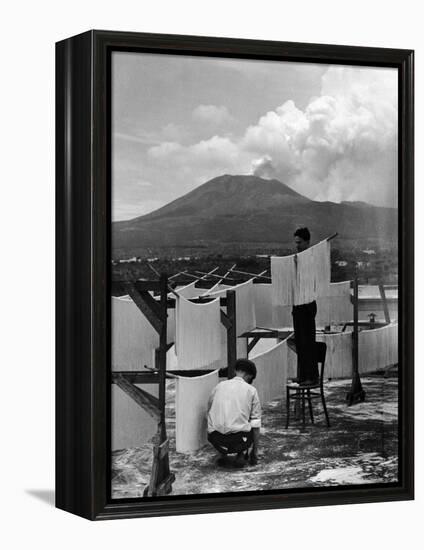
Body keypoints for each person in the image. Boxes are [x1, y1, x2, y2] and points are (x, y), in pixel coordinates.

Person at [207, 359, 261, 467]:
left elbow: (209, 409)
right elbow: (256, 425)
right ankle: (241, 454)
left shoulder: (219, 386)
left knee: (216, 419)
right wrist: (255, 453)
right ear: (249, 376)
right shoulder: (251, 390)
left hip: (215, 438)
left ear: (236, 371)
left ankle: (222, 453)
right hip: (239, 440)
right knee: (253, 424)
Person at [292, 227, 319, 385]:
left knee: (308, 340)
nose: (297, 245)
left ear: (307, 242)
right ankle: (303, 375)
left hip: (308, 303)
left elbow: (311, 278)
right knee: (300, 341)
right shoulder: (299, 257)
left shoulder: (312, 257)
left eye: (300, 242)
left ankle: (312, 376)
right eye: (296, 242)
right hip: (298, 303)